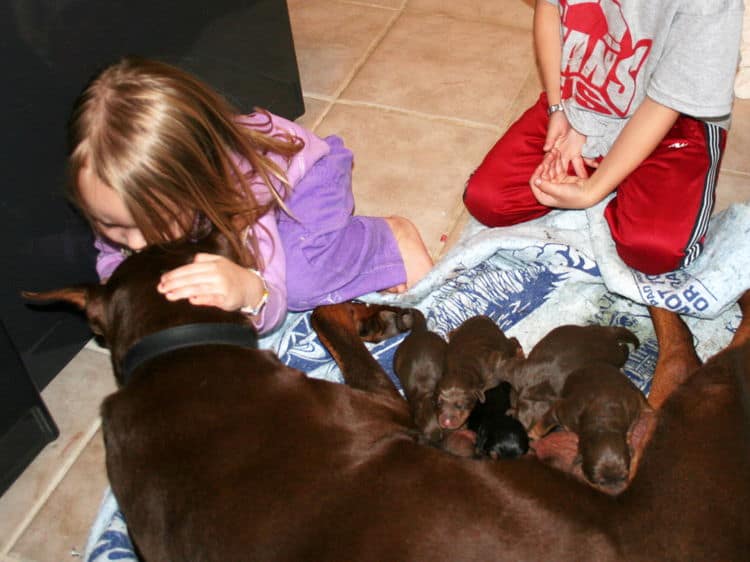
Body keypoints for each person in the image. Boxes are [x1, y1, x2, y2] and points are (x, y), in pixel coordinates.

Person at [67, 56, 433, 335]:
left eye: (152, 223)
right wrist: (120, 292)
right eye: (111, 224)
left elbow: (273, 299)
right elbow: (112, 259)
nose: (136, 243)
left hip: (303, 178)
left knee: (303, 281)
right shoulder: (127, 208)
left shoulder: (239, 194)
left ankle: (388, 239)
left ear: (197, 184)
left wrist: (248, 290)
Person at [463, 0, 743, 275]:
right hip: (585, 91)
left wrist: (592, 190)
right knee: (489, 200)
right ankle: (619, 178)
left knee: (654, 249)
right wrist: (559, 107)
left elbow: (668, 100)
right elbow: (549, 7)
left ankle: (619, 179)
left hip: (676, 115)